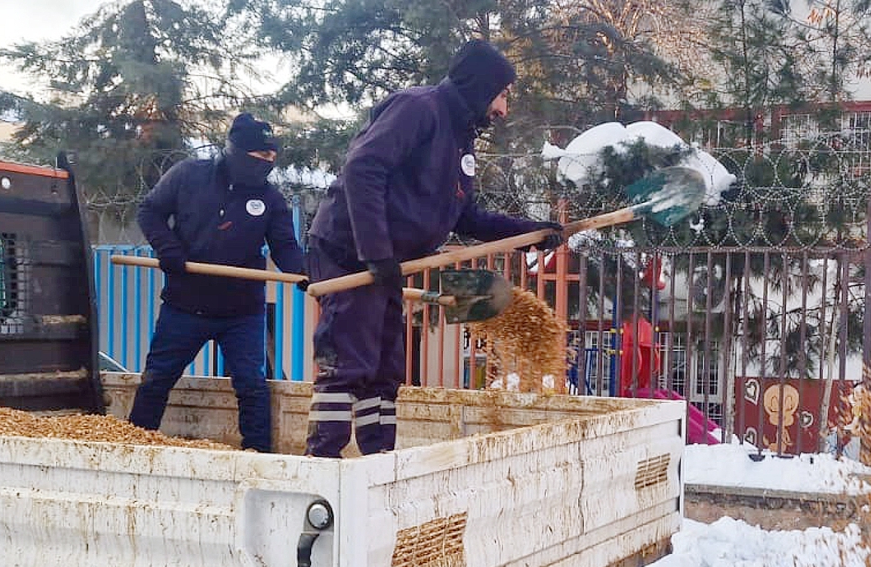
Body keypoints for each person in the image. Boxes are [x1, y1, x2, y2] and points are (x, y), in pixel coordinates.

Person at [304, 39, 563, 458]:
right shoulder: (419, 109)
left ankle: (377, 462)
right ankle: (322, 463)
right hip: (348, 252)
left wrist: (529, 232)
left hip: (385, 262)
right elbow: (362, 168)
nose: (503, 109)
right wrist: (376, 252)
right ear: (480, 88)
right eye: (500, 95)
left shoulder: (461, 138)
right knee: (350, 361)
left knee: (385, 368)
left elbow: (465, 215)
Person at [129, 113, 305, 453]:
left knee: (252, 385)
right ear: (236, 152)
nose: (267, 164)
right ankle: (134, 445)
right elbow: (149, 211)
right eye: (259, 157)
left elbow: (285, 247)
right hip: (184, 303)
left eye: (272, 158)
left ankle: (257, 456)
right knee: (156, 379)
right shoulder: (188, 175)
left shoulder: (270, 199)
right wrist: (168, 248)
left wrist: (303, 274)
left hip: (242, 311)